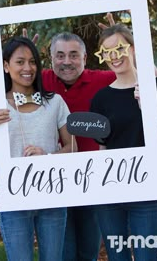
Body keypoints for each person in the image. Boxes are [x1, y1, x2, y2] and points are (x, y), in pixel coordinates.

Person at [0, 35, 73, 261]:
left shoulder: (55, 102)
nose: (27, 68)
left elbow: (72, 148)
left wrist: (48, 156)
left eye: (32, 62)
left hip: (51, 196)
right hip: (14, 200)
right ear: (6, 66)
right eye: (20, 61)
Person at [91, 23, 157, 261]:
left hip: (146, 192)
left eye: (119, 48)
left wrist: (148, 110)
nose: (114, 56)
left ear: (132, 49)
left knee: (146, 257)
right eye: (107, 51)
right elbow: (103, 149)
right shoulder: (101, 99)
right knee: (117, 258)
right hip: (111, 196)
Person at [42, 30, 116, 261]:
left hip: (92, 180)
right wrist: (18, 49)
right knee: (62, 252)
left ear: (85, 57)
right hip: (54, 180)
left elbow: (148, 75)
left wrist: (125, 44)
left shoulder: (104, 79)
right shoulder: (40, 80)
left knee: (87, 251)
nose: (66, 62)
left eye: (73, 55)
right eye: (60, 55)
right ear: (51, 58)